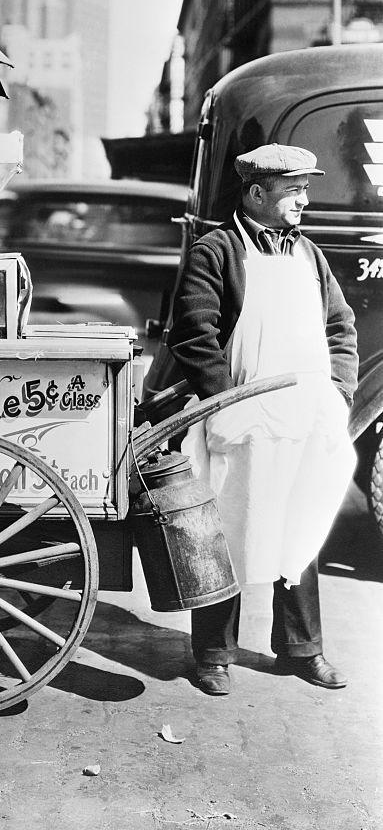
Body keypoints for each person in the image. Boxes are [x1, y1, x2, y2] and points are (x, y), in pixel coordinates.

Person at [167, 143, 358, 696]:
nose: (304, 200)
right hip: (239, 421)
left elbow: (340, 328)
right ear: (255, 193)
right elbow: (194, 334)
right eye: (293, 190)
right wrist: (224, 401)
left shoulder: (309, 256)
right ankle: (213, 655)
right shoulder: (216, 250)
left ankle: (302, 650)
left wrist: (340, 392)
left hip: (301, 420)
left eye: (305, 188)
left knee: (298, 530)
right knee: (224, 531)